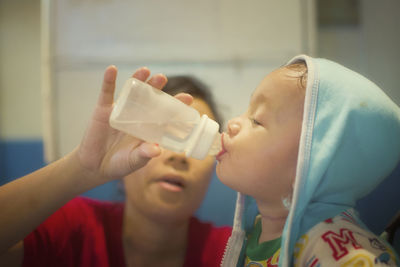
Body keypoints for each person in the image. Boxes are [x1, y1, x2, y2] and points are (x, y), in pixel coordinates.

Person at [0, 67, 231, 267]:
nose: (180, 156)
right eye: (165, 134)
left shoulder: (233, 252)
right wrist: (80, 168)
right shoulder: (73, 228)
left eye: (196, 143)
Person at [216, 55, 400, 266]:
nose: (232, 123)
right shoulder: (258, 230)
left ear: (311, 166)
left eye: (256, 120)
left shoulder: (342, 253)